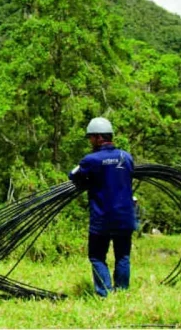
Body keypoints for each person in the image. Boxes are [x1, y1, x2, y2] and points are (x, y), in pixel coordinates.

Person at [68, 117, 135, 298]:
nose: (90, 141)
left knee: (97, 256)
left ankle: (104, 293)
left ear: (98, 138)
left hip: (103, 218)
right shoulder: (126, 157)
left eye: (91, 137)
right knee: (123, 256)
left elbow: (73, 175)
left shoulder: (91, 160)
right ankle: (121, 292)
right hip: (125, 216)